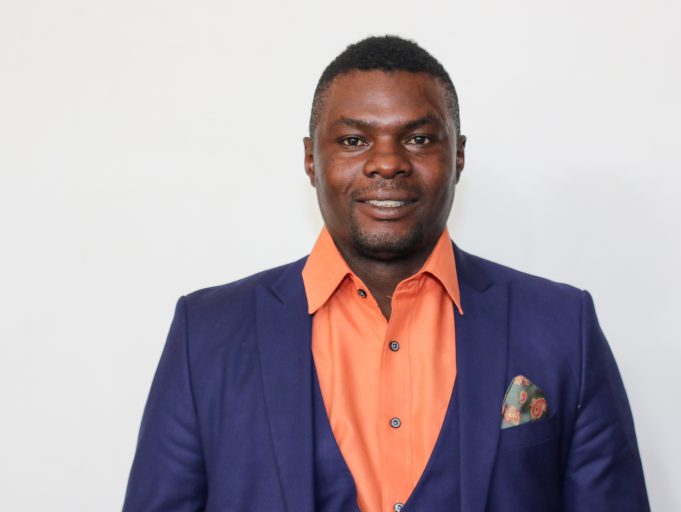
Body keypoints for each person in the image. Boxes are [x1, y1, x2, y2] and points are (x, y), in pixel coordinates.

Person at [123, 35, 650, 512]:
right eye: (354, 140)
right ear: (310, 160)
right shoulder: (207, 333)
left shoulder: (562, 326)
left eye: (419, 139)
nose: (388, 162)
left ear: (458, 157)